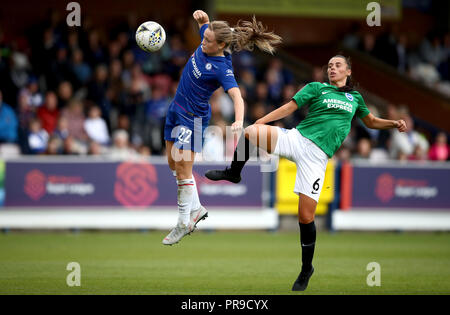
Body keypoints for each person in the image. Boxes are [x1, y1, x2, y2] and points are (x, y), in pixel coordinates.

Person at [206, 55, 407, 291]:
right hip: (297, 138)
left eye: (337, 65)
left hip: (317, 157)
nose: (332, 68)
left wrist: (393, 123)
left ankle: (306, 268)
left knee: (305, 216)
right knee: (251, 131)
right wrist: (262, 120)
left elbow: (371, 121)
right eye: (330, 65)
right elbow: (290, 107)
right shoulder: (317, 88)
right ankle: (233, 172)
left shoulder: (355, 98)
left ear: (348, 71)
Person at [162, 10, 282, 246]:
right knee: (173, 165)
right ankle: (195, 209)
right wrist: (203, 20)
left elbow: (237, 96)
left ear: (222, 45)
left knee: (184, 172)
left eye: (207, 40)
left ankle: (183, 222)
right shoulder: (210, 35)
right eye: (204, 37)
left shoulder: (221, 67)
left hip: (192, 119)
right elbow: (206, 26)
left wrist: (239, 119)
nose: (203, 40)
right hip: (175, 108)